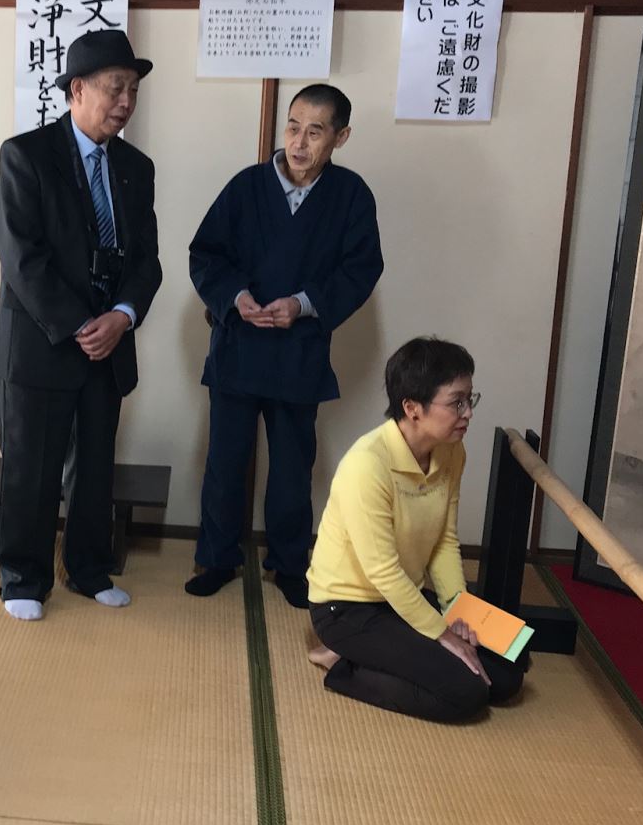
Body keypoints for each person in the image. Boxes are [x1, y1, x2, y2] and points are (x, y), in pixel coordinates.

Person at [187, 84, 383, 607]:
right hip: (239, 344)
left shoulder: (351, 196)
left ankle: (291, 563)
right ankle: (217, 557)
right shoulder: (247, 186)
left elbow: (362, 268)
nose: (298, 142)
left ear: (341, 137)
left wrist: (304, 303)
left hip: (299, 350)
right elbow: (206, 254)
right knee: (225, 462)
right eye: (293, 127)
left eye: (315, 131)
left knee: (293, 468)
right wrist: (236, 297)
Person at [0, 28, 163, 621]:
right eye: (116, 88)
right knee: (31, 467)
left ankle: (89, 569)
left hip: (108, 343)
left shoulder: (136, 168)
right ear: (78, 90)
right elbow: (21, 257)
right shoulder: (26, 154)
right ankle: (23, 576)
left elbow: (146, 259)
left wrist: (121, 316)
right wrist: (79, 323)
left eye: (133, 90)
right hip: (42, 340)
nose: (126, 102)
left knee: (94, 467)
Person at [306, 338, 528, 722]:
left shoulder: (451, 451)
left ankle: (395, 652)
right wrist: (442, 633)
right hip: (347, 608)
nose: (467, 413)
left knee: (511, 668)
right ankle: (343, 663)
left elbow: (444, 539)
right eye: (456, 402)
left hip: (400, 598)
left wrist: (457, 610)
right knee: (467, 692)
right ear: (412, 408)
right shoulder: (367, 465)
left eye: (470, 400)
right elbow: (382, 571)